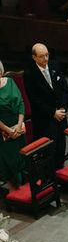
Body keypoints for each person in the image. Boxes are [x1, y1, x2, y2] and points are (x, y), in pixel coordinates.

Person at [24, 43, 68, 170]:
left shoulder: (55, 65)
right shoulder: (29, 74)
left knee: (61, 146)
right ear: (34, 57)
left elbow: (64, 89)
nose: (45, 59)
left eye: (47, 55)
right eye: (41, 56)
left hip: (60, 115)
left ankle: (60, 173)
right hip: (45, 119)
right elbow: (35, 101)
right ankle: (50, 178)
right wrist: (53, 113)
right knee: (50, 151)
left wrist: (63, 109)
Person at [0, 60, 26, 192]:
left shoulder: (10, 82)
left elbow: (21, 102)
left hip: (18, 127)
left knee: (22, 158)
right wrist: (9, 130)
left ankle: (25, 188)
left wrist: (19, 124)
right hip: (4, 131)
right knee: (9, 161)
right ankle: (14, 192)